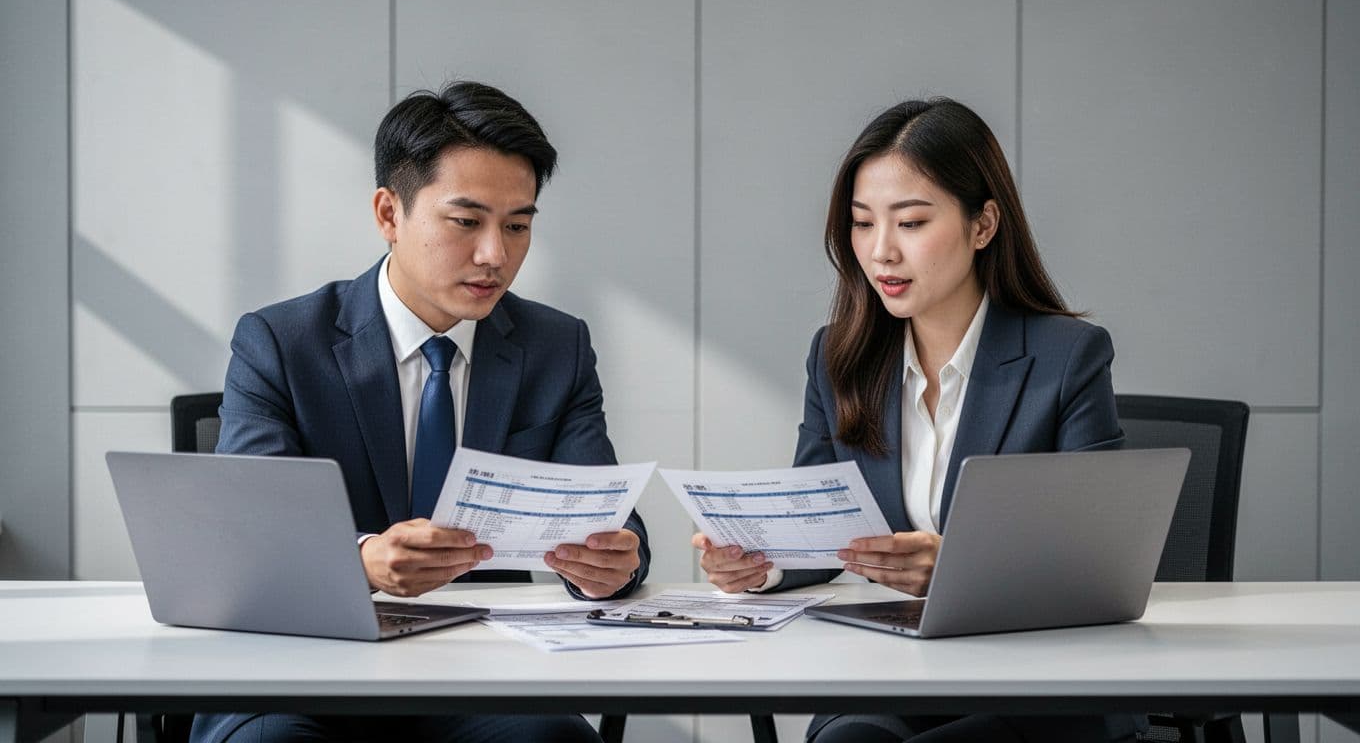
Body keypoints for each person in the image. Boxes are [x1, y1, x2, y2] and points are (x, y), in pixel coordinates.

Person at [191, 81, 649, 743]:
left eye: (518, 225)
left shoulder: (557, 349)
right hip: (302, 668)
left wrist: (614, 565)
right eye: (466, 222)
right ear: (388, 213)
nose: (496, 254)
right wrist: (362, 561)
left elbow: (610, 515)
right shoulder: (281, 343)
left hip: (482, 671)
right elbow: (248, 541)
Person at [693, 98, 1130, 742]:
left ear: (983, 224)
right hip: (891, 671)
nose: (881, 252)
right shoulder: (839, 358)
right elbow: (818, 525)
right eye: (863, 224)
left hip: (1035, 683)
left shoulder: (1067, 358)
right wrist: (764, 565)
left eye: (912, 222)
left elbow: (1096, 569)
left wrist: (956, 568)